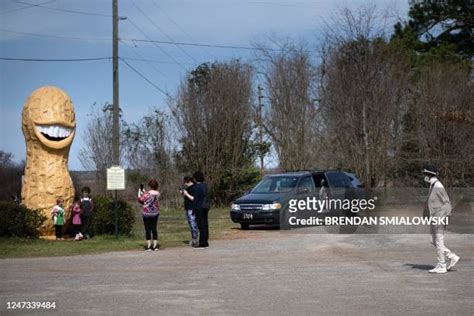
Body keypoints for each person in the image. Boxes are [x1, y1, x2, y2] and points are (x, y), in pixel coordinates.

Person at [423, 164, 460, 273]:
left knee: (439, 241)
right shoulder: (432, 185)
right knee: (433, 241)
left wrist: (444, 217)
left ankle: (442, 265)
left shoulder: (438, 185)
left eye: (425, 173)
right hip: (434, 217)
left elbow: (447, 202)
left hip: (440, 217)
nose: (424, 175)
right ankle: (451, 256)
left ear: (429, 174)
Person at [183, 171, 210, 249]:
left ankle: (202, 243)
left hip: (199, 207)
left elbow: (194, 199)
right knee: (205, 225)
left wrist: (186, 194)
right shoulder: (205, 186)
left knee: (201, 226)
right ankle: (205, 242)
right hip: (206, 207)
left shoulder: (197, 187)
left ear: (196, 178)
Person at [138, 179, 161, 251]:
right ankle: (155, 246)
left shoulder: (146, 194)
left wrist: (139, 193)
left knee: (148, 229)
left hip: (146, 213)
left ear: (150, 186)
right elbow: (151, 198)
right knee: (154, 228)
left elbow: (141, 200)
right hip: (155, 213)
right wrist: (144, 192)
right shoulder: (158, 193)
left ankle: (148, 246)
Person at [180, 176, 198, 247]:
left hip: (192, 208)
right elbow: (187, 197)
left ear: (189, 181)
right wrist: (183, 193)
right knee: (191, 224)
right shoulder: (188, 188)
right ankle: (194, 239)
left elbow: (193, 198)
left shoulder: (195, 188)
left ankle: (195, 239)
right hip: (188, 208)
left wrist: (186, 194)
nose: (185, 184)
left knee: (193, 224)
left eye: (185, 182)